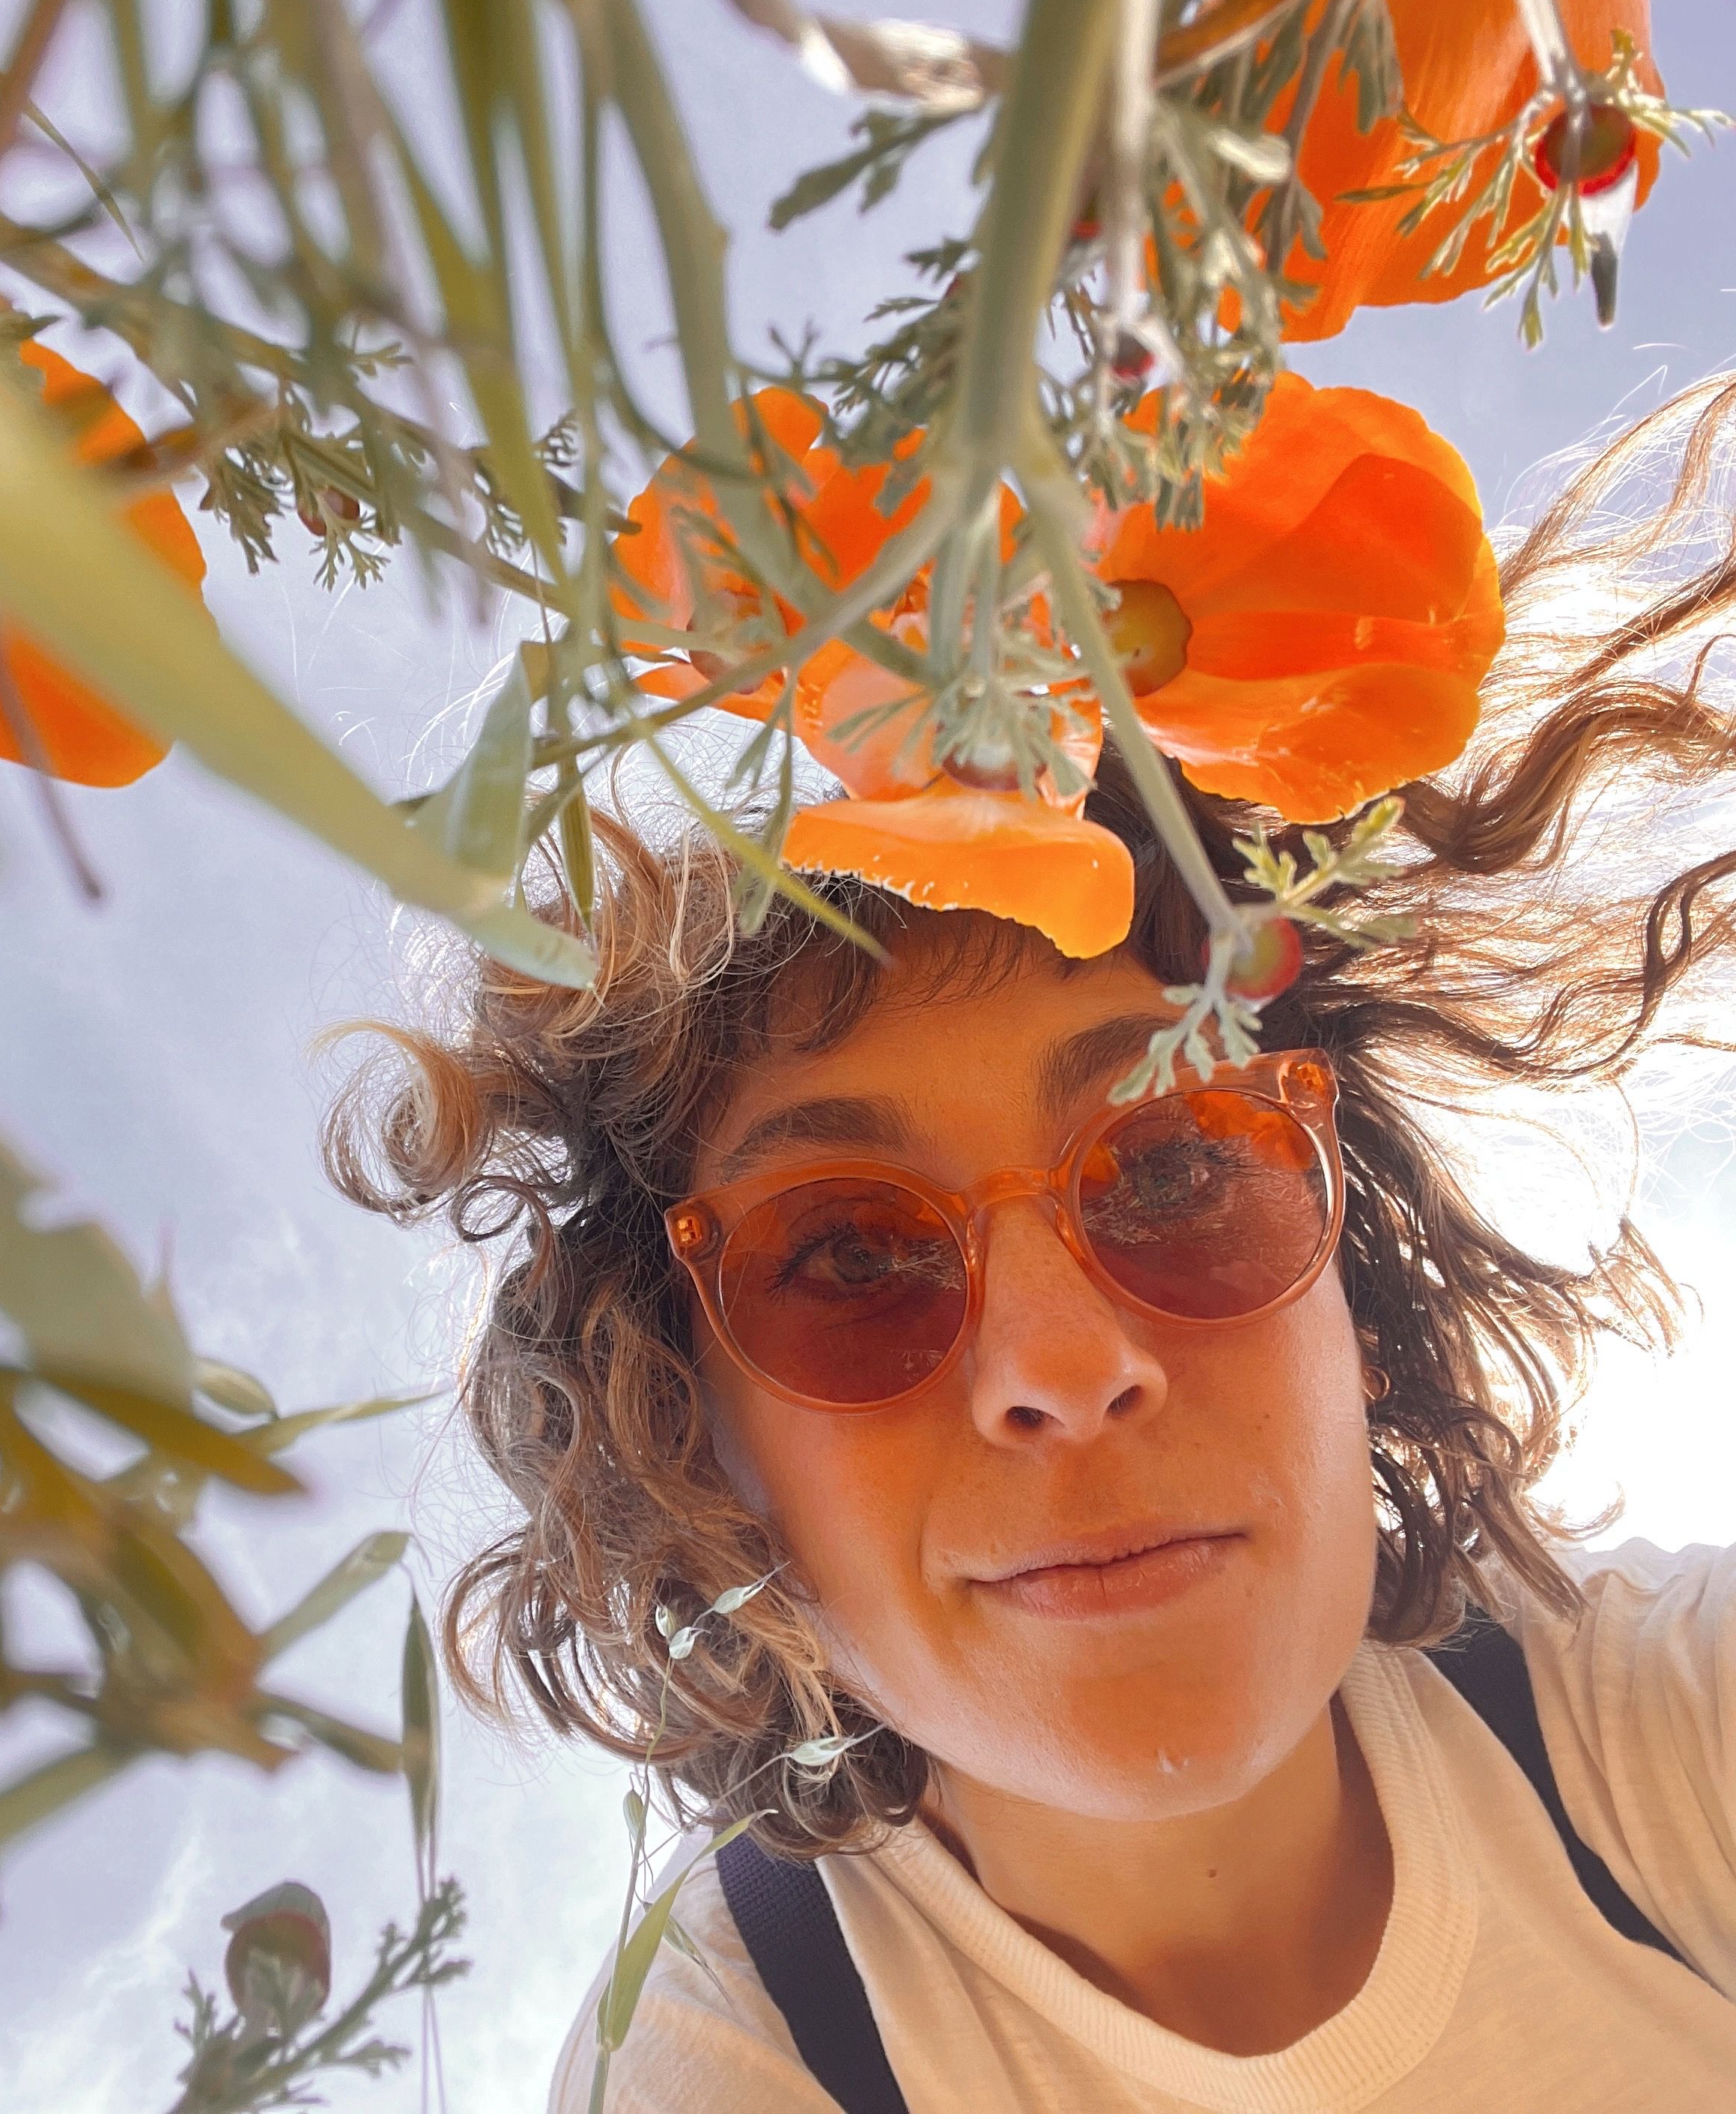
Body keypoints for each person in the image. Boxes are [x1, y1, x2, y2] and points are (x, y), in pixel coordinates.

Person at [324, 378, 1736, 2110]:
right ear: (698, 1448)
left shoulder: (1660, 1736)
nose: (1067, 1369)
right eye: (847, 1259)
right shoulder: (734, 2062)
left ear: (1348, 1297)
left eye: (1174, 1175)